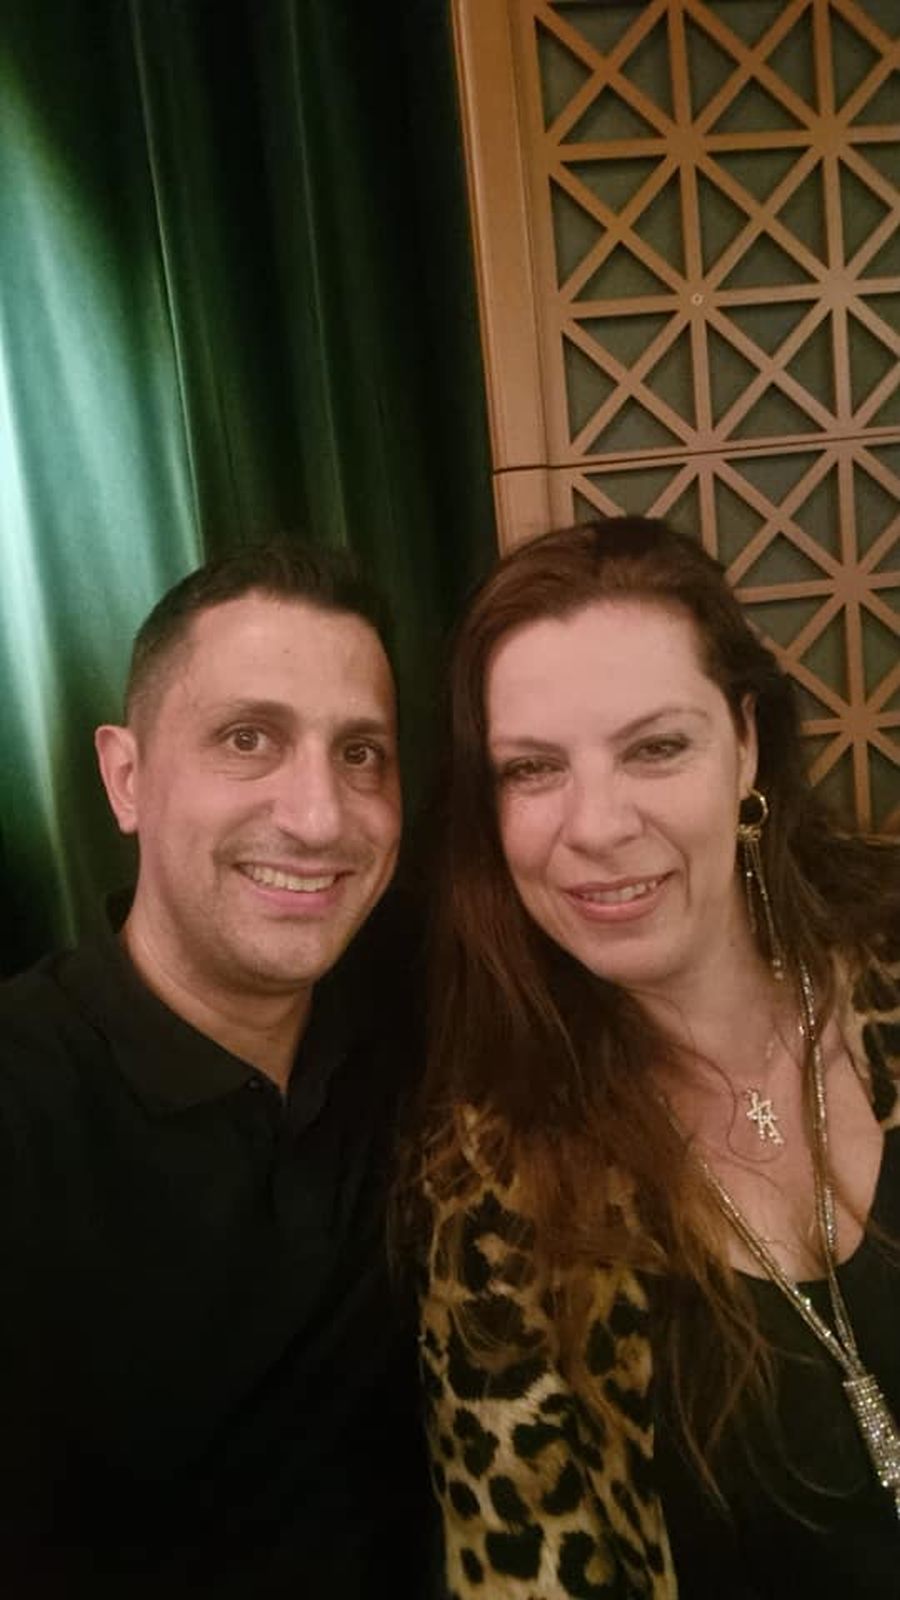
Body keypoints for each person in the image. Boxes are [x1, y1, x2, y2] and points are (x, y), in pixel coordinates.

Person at [417, 517, 900, 1599]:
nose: (596, 825)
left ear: (747, 744)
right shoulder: (496, 1190)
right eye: (533, 769)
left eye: (655, 747)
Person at [0, 540, 434, 1597]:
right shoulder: (23, 1099)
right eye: (249, 739)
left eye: (361, 753)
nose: (319, 817)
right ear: (127, 777)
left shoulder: (429, 1043)